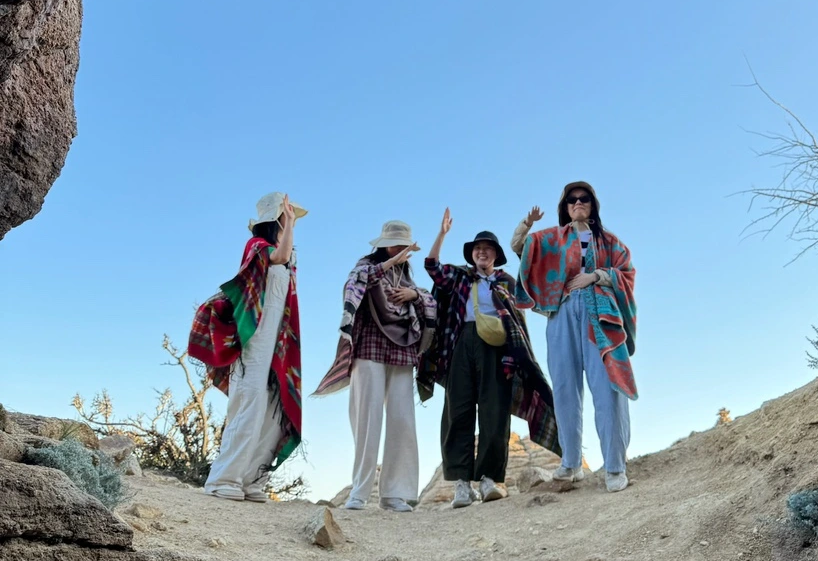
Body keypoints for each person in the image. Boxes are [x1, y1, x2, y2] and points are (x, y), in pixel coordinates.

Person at [420, 208, 559, 510]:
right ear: (472, 254)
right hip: (460, 345)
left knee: (495, 412)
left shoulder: (506, 282)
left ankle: (489, 480)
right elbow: (432, 266)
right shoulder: (460, 276)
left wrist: (513, 357)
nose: (482, 252)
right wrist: (442, 233)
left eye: (488, 249)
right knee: (458, 412)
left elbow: (519, 317)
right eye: (478, 249)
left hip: (497, 349)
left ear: (496, 255)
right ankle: (461, 484)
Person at [514, 181, 636, 492]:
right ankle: (570, 463)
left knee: (607, 387)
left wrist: (595, 276)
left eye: (583, 199)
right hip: (562, 311)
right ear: (565, 207)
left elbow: (627, 272)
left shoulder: (609, 241)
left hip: (600, 313)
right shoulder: (552, 238)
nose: (578, 203)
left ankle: (615, 466)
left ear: (593, 204)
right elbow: (521, 248)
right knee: (564, 388)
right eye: (572, 200)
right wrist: (527, 223)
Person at [189, 192, 305, 501]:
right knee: (249, 401)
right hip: (253, 338)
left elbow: (285, 264)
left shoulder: (287, 256)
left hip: (277, 343)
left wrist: (289, 229)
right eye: (286, 217)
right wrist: (289, 225)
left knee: (274, 408)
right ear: (276, 219)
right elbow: (277, 257)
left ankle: (252, 479)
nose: (290, 222)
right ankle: (224, 478)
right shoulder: (257, 246)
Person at [313, 221, 436, 512]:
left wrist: (415, 295)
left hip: (403, 348)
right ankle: (359, 491)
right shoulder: (367, 266)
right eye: (395, 244)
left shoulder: (407, 277)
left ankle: (394, 494)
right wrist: (389, 263)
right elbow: (354, 284)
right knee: (367, 418)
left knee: (402, 419)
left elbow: (429, 301)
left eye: (403, 245)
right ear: (383, 245)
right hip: (370, 344)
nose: (399, 249)